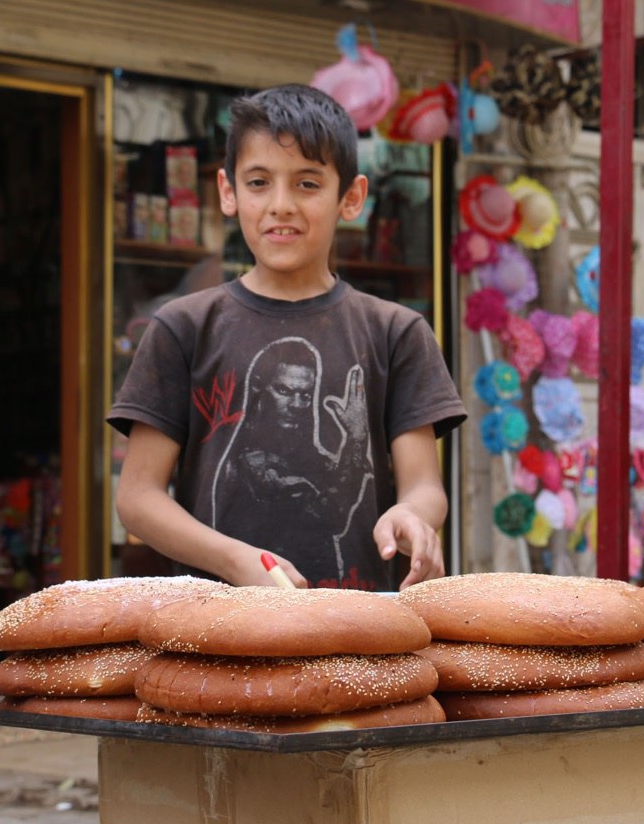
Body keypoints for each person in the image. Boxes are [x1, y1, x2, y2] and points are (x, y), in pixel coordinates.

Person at [107, 84, 466, 591]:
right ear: (228, 193)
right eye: (258, 182)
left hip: (356, 628)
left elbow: (425, 485)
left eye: (307, 184)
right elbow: (138, 498)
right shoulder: (184, 327)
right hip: (217, 631)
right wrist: (233, 561)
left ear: (351, 197)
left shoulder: (395, 332)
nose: (280, 205)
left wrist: (410, 515)